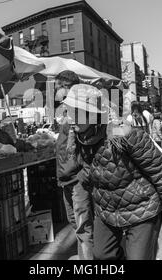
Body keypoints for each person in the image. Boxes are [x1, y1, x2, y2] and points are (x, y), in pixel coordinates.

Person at [63, 84, 162, 260]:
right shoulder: (79, 140)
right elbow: (88, 176)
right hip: (107, 210)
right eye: (68, 112)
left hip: (142, 208)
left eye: (75, 112)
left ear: (93, 114)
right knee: (101, 255)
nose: (70, 119)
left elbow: (158, 168)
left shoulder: (120, 132)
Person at [54, 70, 94, 260]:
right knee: (75, 223)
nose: (55, 93)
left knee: (83, 228)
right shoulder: (65, 110)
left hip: (77, 177)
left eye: (57, 88)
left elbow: (92, 144)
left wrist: (84, 173)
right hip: (66, 177)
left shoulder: (83, 108)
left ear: (67, 87)